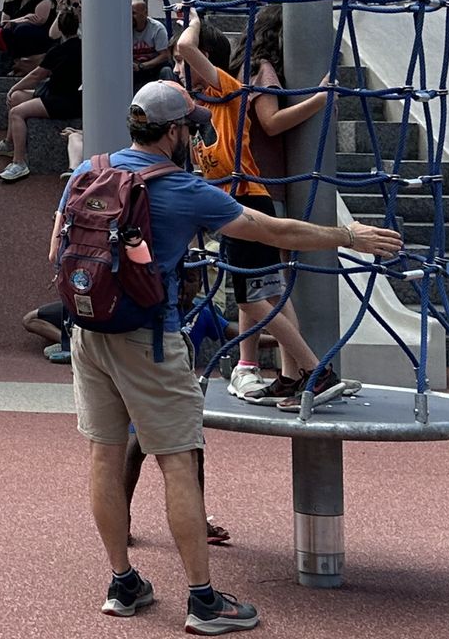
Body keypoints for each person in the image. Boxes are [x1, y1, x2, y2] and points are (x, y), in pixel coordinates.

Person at [59, 79, 401, 633]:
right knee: (176, 462)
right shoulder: (183, 189)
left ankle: (122, 582)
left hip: (88, 331)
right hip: (150, 336)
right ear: (171, 133)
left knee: (103, 455)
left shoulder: (88, 171)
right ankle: (202, 600)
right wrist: (349, 236)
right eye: (188, 128)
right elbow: (272, 229)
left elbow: (59, 245)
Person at [173, 8, 344, 410]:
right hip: (231, 202)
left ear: (205, 61)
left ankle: (316, 372)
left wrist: (194, 19)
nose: (178, 66)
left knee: (251, 300)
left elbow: (185, 45)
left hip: (245, 200)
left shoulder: (225, 90)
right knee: (271, 293)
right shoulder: (200, 107)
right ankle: (291, 376)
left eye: (184, 63)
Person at [0, 0, 81, 182]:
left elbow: (36, 75)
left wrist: (13, 86)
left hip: (60, 100)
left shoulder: (58, 50)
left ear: (60, 28)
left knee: (16, 113)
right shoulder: (84, 47)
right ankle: (8, 143)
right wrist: (15, 91)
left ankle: (19, 163)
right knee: (16, 98)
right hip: (67, 96)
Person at [131, 1, 173, 93]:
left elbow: (165, 55)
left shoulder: (157, 28)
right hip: (134, 70)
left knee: (166, 71)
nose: (131, 17)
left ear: (145, 13)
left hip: (154, 68)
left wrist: (142, 66)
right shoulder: (126, 29)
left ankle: (169, 97)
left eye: (134, 13)